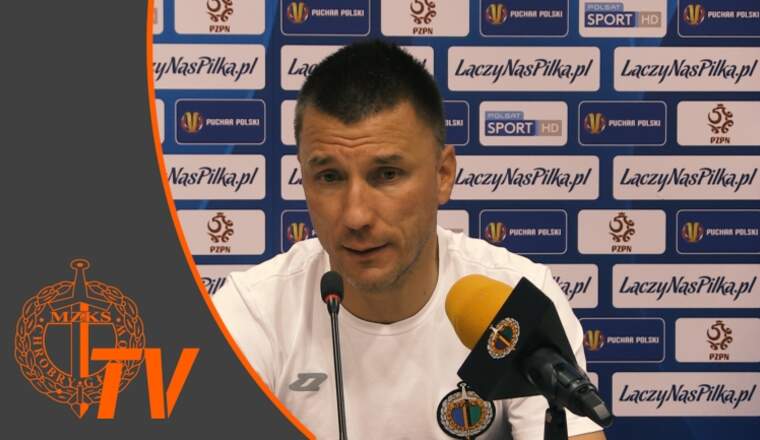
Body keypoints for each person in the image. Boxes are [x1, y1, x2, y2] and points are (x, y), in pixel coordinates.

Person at [213, 40, 605, 440]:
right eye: (329, 177)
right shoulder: (253, 311)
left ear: (443, 175)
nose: (356, 216)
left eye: (387, 174)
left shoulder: (515, 299)